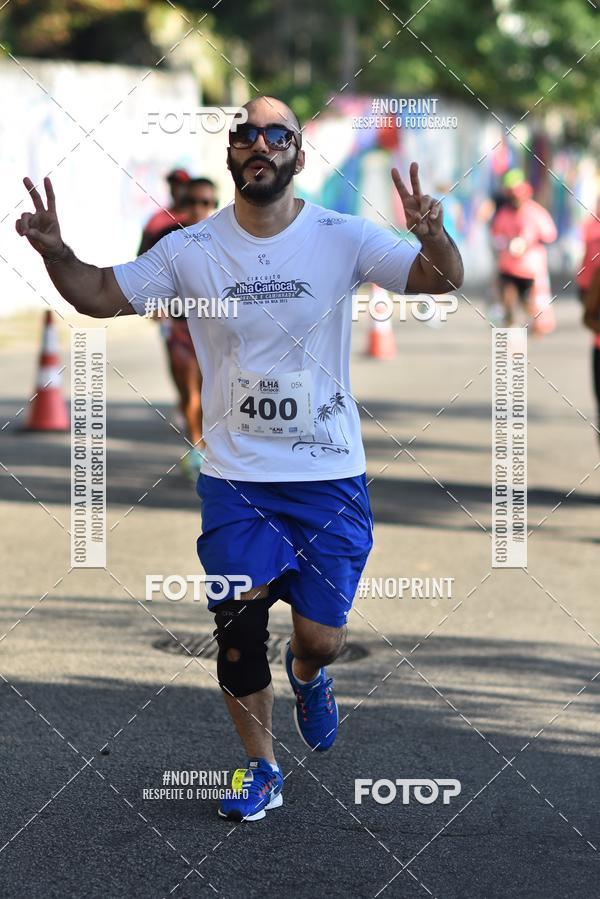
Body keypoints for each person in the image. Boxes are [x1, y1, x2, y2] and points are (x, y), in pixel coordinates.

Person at [16, 95, 463, 823]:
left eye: (276, 134)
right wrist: (56, 253)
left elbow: (440, 280)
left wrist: (435, 237)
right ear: (232, 156)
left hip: (327, 474)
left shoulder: (340, 237)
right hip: (235, 478)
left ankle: (309, 673)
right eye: (246, 134)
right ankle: (262, 768)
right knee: (237, 627)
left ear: (297, 154)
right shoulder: (191, 250)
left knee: (322, 636)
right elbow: (101, 293)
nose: (261, 143)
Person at [148, 178, 219, 480]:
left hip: (218, 327)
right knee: (189, 391)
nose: (199, 209)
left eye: (206, 203)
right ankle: (197, 447)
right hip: (179, 326)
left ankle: (215, 445)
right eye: (192, 202)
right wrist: (156, 305)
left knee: (214, 392)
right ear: (182, 205)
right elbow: (147, 272)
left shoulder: (228, 237)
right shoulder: (166, 237)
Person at [491, 169, 557, 329]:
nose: (515, 199)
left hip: (531, 270)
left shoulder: (535, 212)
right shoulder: (503, 214)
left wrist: (528, 243)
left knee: (532, 306)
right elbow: (496, 237)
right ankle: (511, 329)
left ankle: (539, 323)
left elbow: (550, 235)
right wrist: (507, 243)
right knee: (509, 300)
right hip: (508, 268)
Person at [137, 168, 191, 255]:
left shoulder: (195, 218)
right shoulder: (156, 219)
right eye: (173, 185)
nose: (177, 190)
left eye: (181, 185)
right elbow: (142, 254)